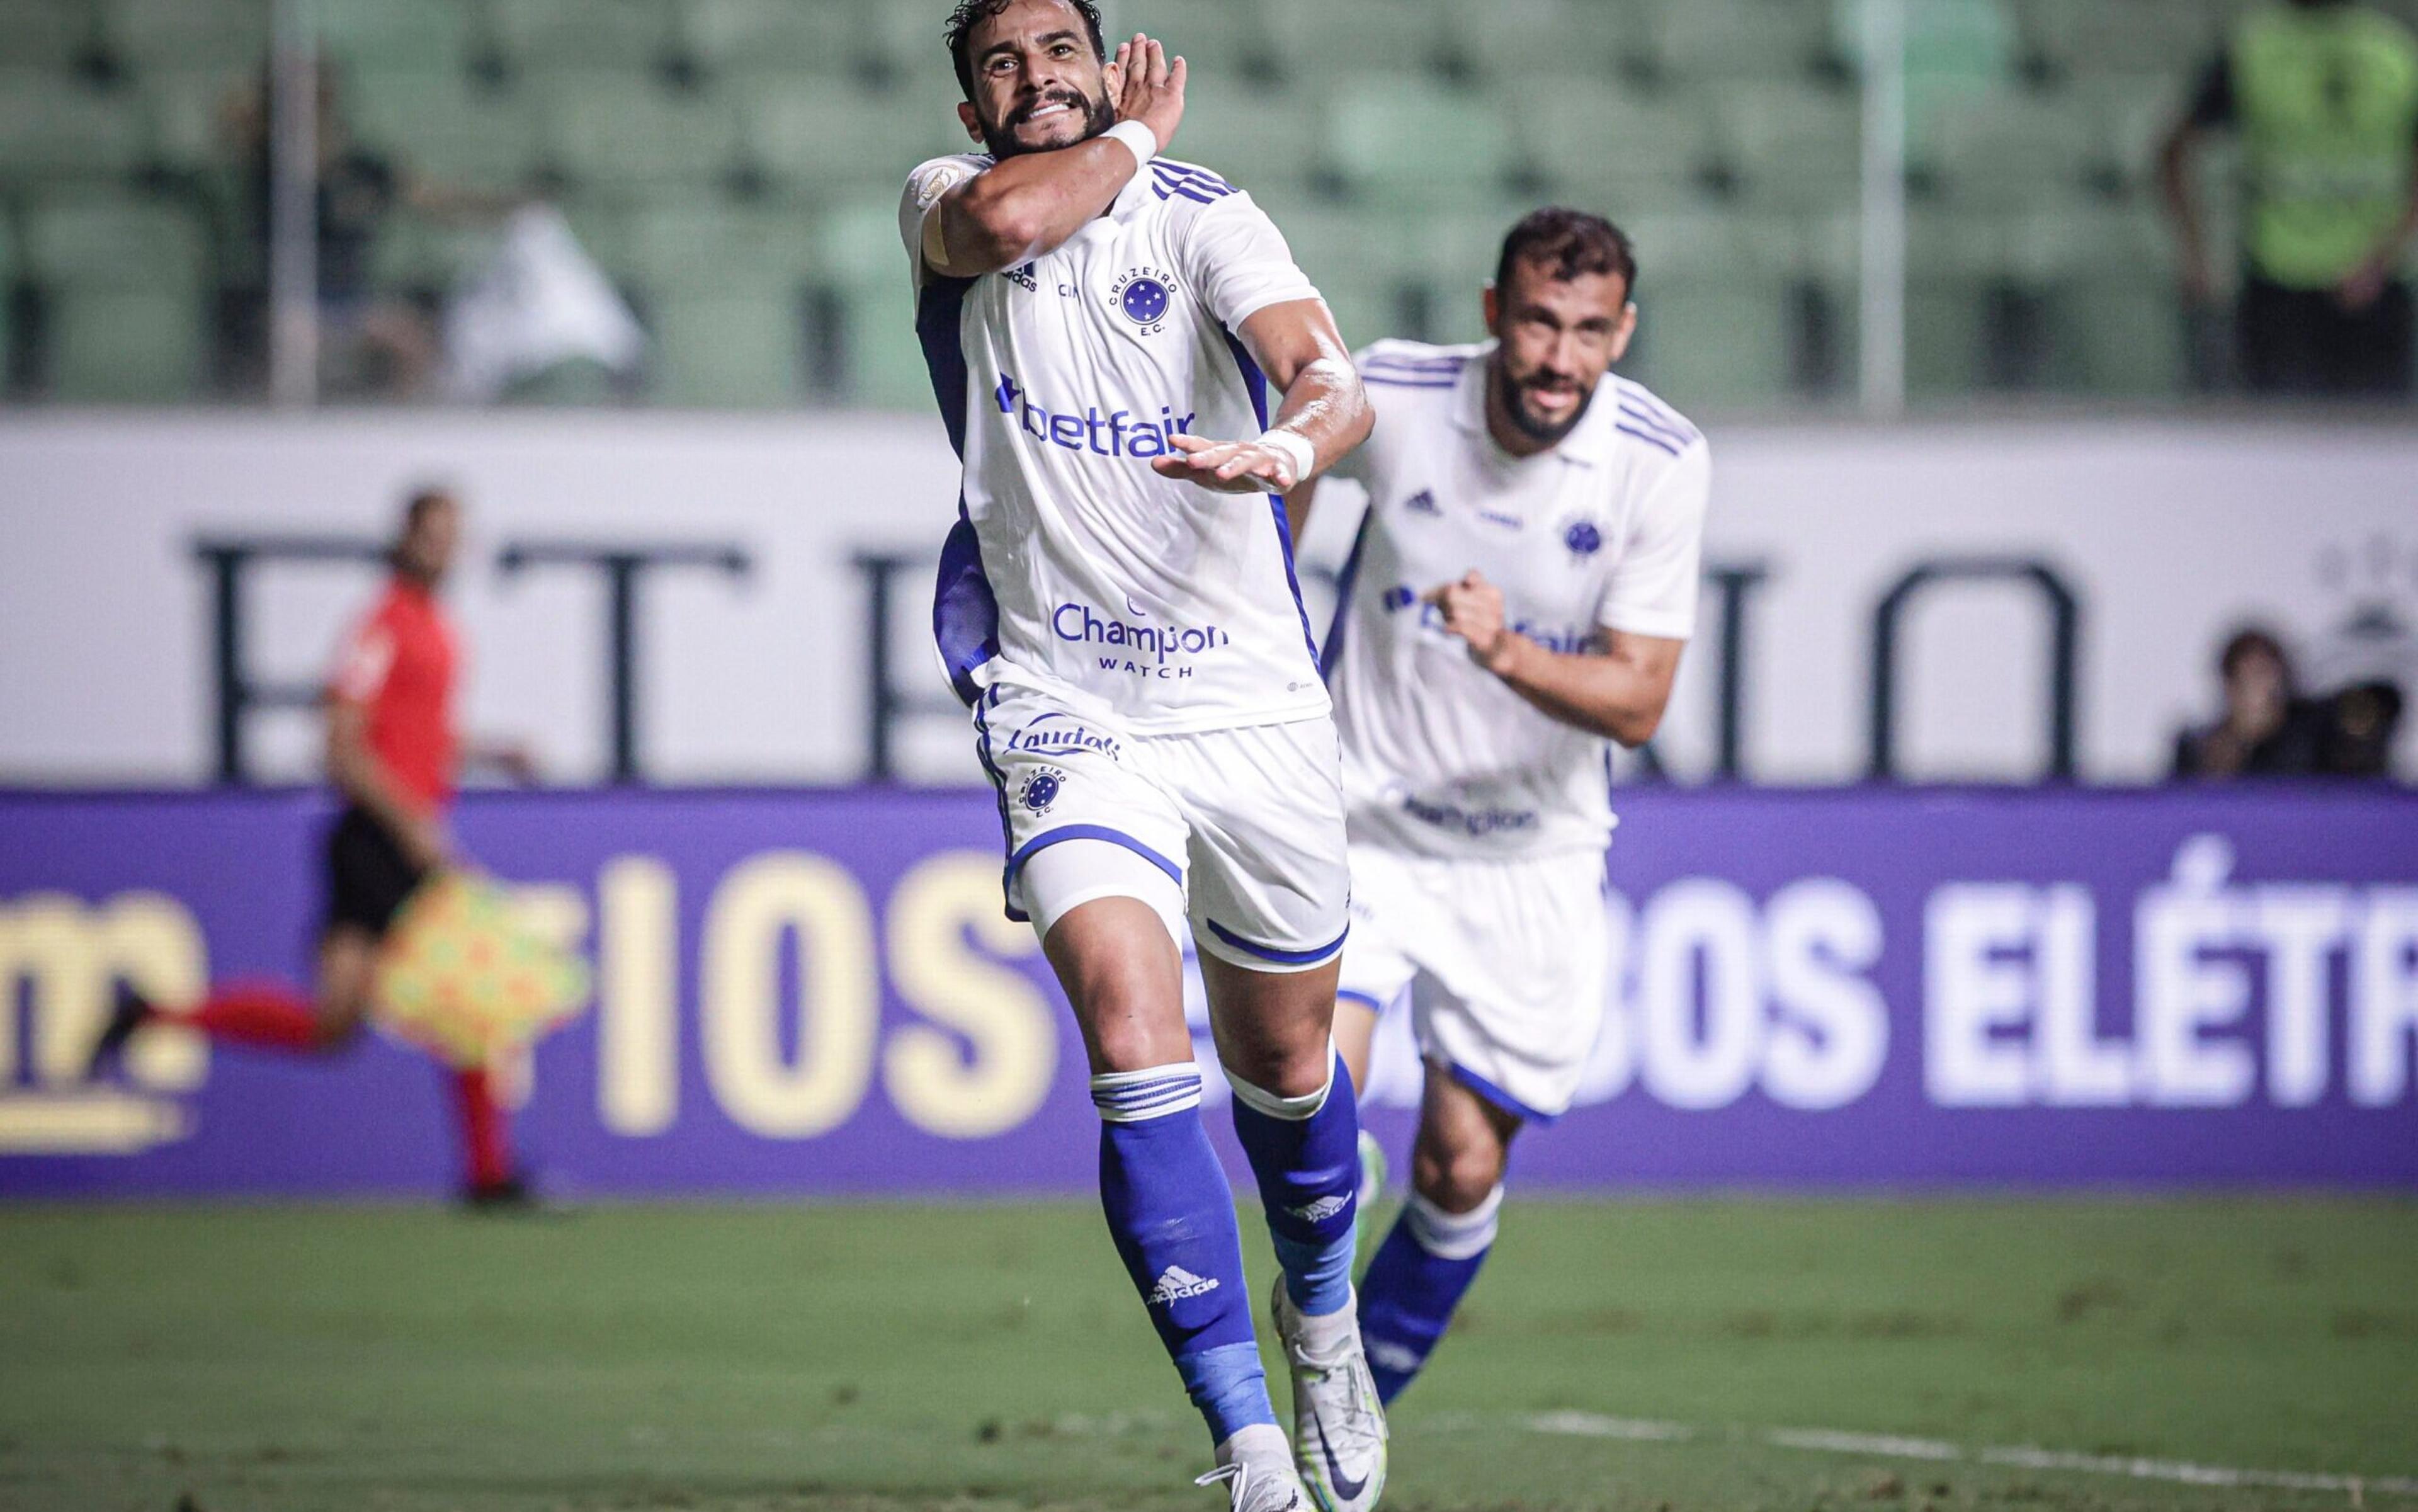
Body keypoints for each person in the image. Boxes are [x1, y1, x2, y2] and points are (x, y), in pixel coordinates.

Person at [903, 4, 1382, 1508]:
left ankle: (1321, 1320)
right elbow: (1003, 214)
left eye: (1062, 49)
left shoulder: (1204, 220)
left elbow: (1330, 375)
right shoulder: (943, 199)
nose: (1032, 77)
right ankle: (1245, 1445)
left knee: (1290, 1070)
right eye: (1001, 59)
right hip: (1062, 700)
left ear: (1106, 61)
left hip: (1248, 710)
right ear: (966, 93)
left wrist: (1291, 447)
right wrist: (1135, 132)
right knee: (1127, 1028)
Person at [1286, 209, 1710, 1406]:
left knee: (1462, 1166)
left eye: (1586, 331)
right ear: (1493, 313)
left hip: (1531, 858)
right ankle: (1317, 1240)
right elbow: (1294, 451)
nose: (1557, 357)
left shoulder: (1658, 462)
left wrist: (1506, 650)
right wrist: (1268, 583)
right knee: (1313, 1091)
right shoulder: (1400, 392)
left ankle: (1351, 1400)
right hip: (1359, 826)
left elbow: (1637, 704)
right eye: (1536, 321)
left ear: (1621, 333)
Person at [88, 490, 542, 1207]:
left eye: (455, 534)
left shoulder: (438, 629)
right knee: (474, 994)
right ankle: (489, 1175)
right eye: (433, 532)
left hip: (394, 838)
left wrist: (490, 752)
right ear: (406, 538)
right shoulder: (381, 625)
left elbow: (417, 739)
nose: (445, 546)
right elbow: (344, 746)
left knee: (333, 1026)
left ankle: (153, 1015)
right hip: (378, 840)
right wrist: (410, 824)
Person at [2159, 0, 2418, 399]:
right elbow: (2173, 152)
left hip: (2372, 287)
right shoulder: (2250, 49)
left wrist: (2384, 256)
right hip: (2280, 285)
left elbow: (2173, 152)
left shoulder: (2399, 51)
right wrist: (2196, 256)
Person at [2171, 627, 2327, 778]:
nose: (2264, 688)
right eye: (2252, 676)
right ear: (2231, 686)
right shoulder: (2199, 748)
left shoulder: (2312, 741)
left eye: (2268, 675)